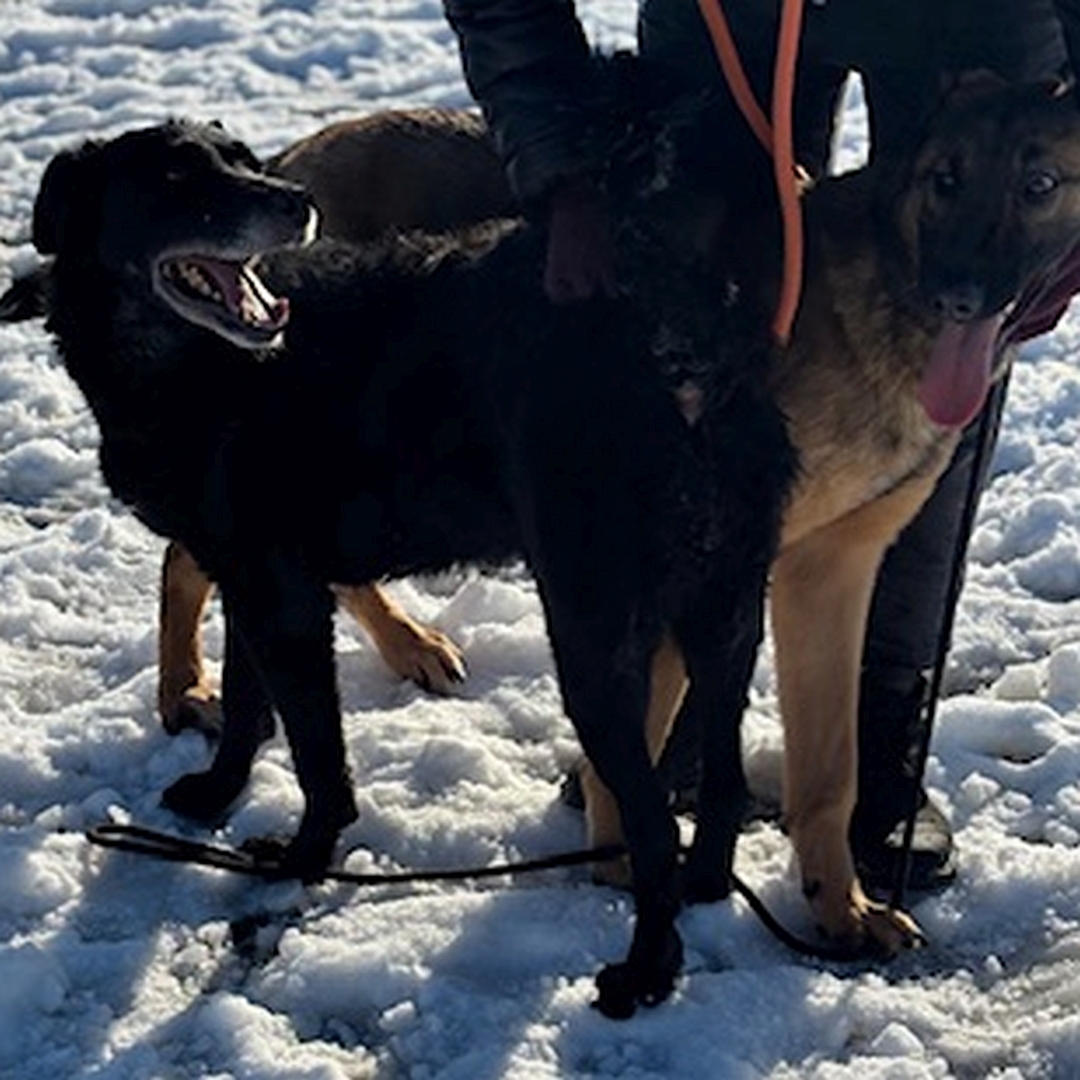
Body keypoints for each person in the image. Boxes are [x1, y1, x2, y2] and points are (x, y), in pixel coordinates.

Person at [441, 0, 1080, 891]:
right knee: (686, 331)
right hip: (733, 19)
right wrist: (564, 174)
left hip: (979, 16)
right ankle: (668, 727)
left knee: (943, 332)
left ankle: (880, 747)